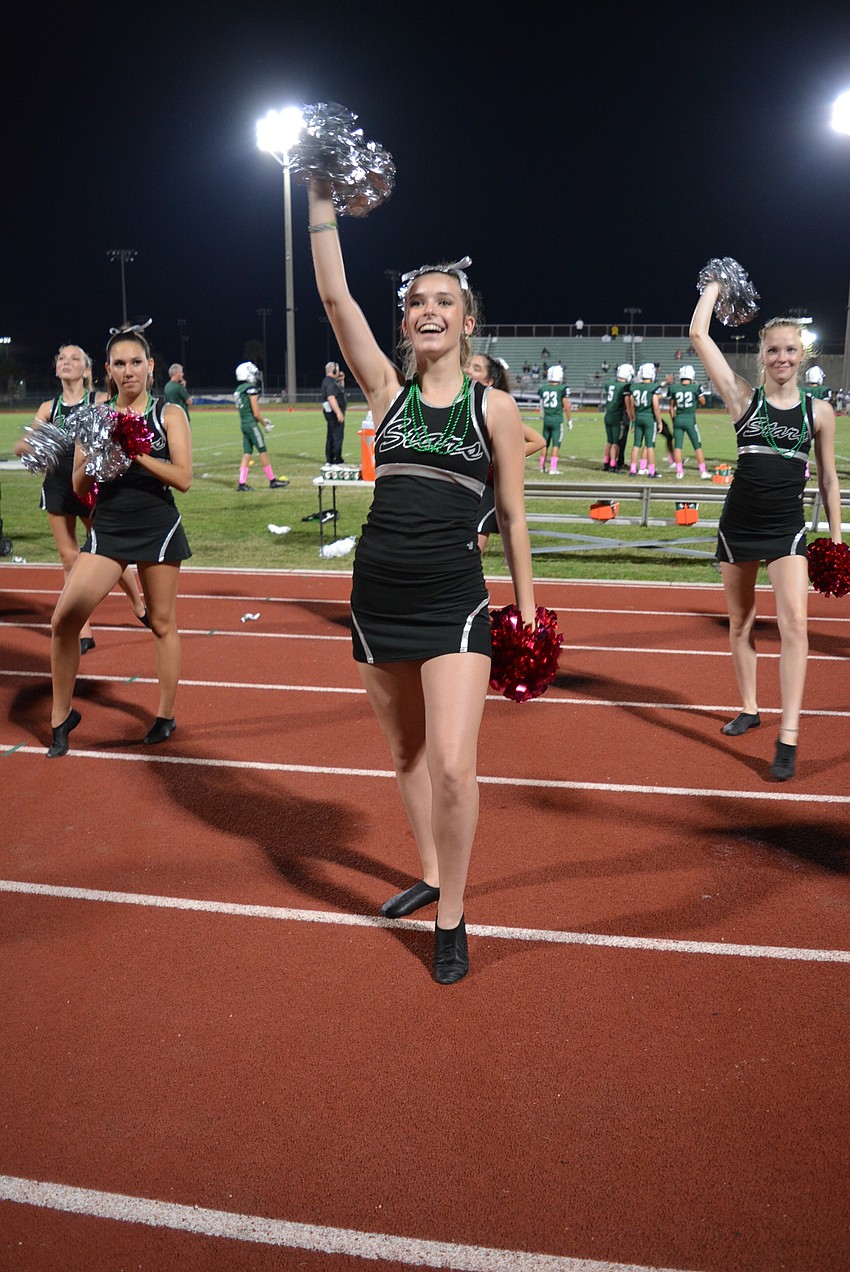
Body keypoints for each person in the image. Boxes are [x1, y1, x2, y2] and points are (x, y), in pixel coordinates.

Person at [306, 176, 536, 984]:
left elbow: (509, 517)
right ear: (405, 322)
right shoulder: (386, 395)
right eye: (415, 302)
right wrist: (319, 196)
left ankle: (453, 913)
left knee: (451, 762)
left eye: (444, 300)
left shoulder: (493, 409)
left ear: (468, 322)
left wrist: (529, 613)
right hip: (377, 599)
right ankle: (432, 869)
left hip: (454, 602)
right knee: (405, 753)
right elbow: (334, 300)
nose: (427, 310)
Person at [689, 288, 843, 781]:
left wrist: (837, 538)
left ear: (803, 355)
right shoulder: (742, 398)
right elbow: (698, 334)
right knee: (741, 623)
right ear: (762, 355)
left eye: (790, 349)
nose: (782, 357)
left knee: (795, 623)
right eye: (773, 349)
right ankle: (751, 707)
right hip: (738, 527)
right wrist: (714, 284)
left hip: (787, 530)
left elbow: (828, 478)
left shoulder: (818, 413)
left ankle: (788, 737)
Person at [46, 322, 194, 758]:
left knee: (162, 623)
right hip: (108, 527)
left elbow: (183, 479)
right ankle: (61, 716)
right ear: (108, 370)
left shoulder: (169, 414)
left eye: (136, 363)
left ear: (150, 367)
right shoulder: (94, 416)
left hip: (156, 525)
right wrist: (98, 458)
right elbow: (77, 485)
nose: (128, 371)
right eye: (119, 364)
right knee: (63, 621)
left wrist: (137, 453)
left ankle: (165, 715)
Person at [14, 343, 149, 653]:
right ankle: (83, 628)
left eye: (74, 358)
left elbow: (121, 424)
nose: (66, 362)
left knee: (108, 550)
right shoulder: (49, 408)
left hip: (89, 484)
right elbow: (25, 443)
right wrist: (30, 447)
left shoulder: (98, 401)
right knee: (69, 558)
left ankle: (139, 606)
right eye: (61, 357)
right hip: (57, 487)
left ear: (88, 370)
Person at [465, 353, 545, 551]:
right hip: (460, 490)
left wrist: (500, 458)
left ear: (489, 381)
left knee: (472, 555)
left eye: (476, 368)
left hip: (486, 491)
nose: (467, 370)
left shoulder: (495, 410)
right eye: (467, 366)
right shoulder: (459, 405)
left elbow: (538, 440)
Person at [234, 361, 289, 491]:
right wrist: (265, 425)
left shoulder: (239, 389)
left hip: (244, 423)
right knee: (262, 450)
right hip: (251, 424)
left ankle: (242, 483)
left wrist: (263, 420)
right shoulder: (250, 389)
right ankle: (272, 480)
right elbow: (256, 412)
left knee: (247, 453)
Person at [669, 365, 712, 479]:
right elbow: (703, 402)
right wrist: (697, 394)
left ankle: (679, 472)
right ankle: (703, 472)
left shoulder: (674, 388)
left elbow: (671, 408)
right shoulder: (695, 387)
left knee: (678, 446)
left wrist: (674, 420)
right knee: (697, 446)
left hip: (678, 419)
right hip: (690, 420)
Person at [628, 363, 663, 476]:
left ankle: (633, 470)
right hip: (649, 418)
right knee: (650, 445)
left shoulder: (635, 387)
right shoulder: (653, 387)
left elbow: (632, 406)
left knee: (636, 445)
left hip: (638, 417)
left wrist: (633, 420)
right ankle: (651, 471)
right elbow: (656, 407)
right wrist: (659, 422)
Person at [538, 364, 572, 475]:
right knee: (556, 444)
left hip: (546, 419)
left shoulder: (543, 388)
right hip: (557, 420)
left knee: (544, 443)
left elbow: (542, 404)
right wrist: (569, 420)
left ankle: (541, 467)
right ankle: (553, 468)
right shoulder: (562, 389)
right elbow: (567, 406)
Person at [601, 363, 634, 472]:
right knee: (616, 443)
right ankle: (613, 465)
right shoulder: (625, 387)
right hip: (617, 417)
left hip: (608, 415)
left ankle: (606, 463)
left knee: (609, 441)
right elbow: (628, 406)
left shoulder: (610, 383)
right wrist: (632, 419)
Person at [321, 360, 346, 464]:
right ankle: (337, 459)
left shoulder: (329, 381)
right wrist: (338, 412)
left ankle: (330, 459)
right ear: (334, 370)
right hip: (334, 414)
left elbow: (340, 391)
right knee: (337, 437)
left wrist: (341, 380)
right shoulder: (330, 383)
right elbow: (331, 398)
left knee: (331, 435)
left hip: (330, 413)